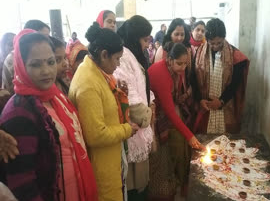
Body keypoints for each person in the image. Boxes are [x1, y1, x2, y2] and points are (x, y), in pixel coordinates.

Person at [0, 29, 97, 201]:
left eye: (51, 62)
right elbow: (22, 181)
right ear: (21, 65)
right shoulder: (19, 111)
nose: (46, 71)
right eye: (36, 64)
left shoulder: (55, 97)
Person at [69, 22, 139, 201]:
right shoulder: (88, 83)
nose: (117, 66)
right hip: (101, 166)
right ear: (104, 54)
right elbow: (96, 134)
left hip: (109, 159)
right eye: (116, 59)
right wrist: (127, 130)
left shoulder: (96, 72)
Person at [148, 42, 204, 201]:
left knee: (181, 146)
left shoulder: (173, 71)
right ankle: (166, 191)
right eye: (179, 63)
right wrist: (190, 137)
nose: (183, 68)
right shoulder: (162, 74)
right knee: (166, 156)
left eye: (186, 64)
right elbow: (171, 113)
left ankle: (180, 182)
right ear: (170, 60)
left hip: (162, 115)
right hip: (154, 120)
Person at [114, 15, 154, 201]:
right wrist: (148, 115)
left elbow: (144, 85)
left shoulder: (134, 54)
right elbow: (130, 97)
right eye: (145, 40)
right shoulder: (122, 57)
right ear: (135, 36)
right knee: (133, 188)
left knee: (141, 185)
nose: (147, 45)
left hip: (141, 125)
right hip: (133, 130)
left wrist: (151, 102)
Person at [192, 18, 249, 134]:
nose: (215, 46)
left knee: (226, 143)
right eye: (212, 43)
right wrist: (200, 99)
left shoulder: (236, 56)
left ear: (224, 38)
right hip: (205, 106)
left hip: (226, 106)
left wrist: (221, 101)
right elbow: (193, 77)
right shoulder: (199, 54)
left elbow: (235, 84)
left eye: (219, 43)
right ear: (206, 39)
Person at [2, 20, 50, 94]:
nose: (48, 41)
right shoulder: (14, 58)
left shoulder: (44, 54)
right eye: (44, 37)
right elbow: (14, 90)